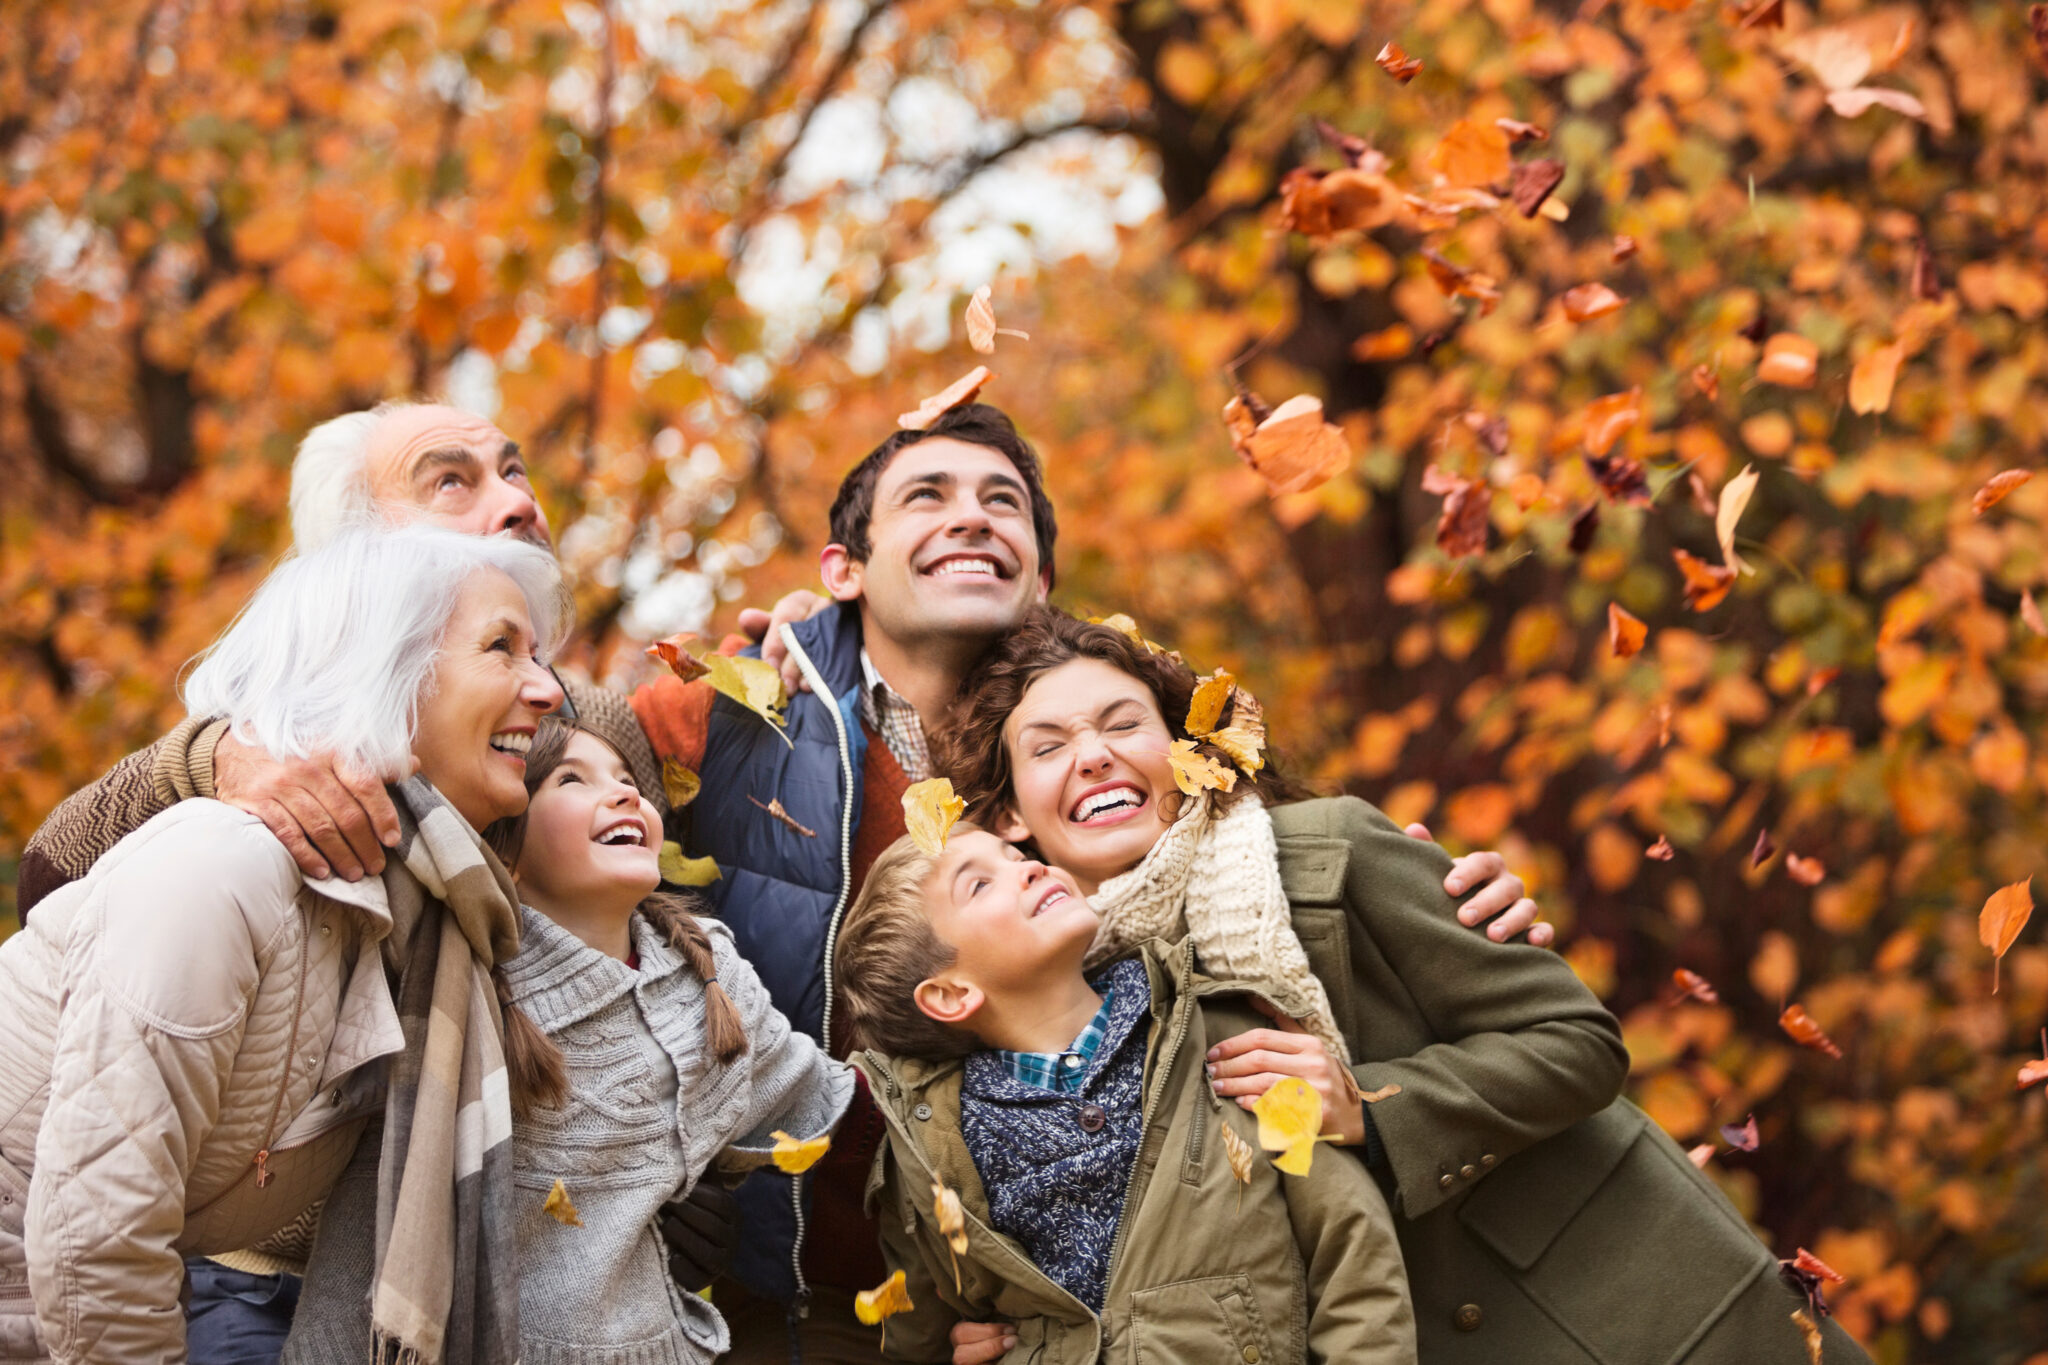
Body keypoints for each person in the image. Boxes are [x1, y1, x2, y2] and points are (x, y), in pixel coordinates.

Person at [18, 398, 1541, 1365]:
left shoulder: (1080, 737)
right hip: (491, 1272)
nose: (520, 496)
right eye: (454, 477)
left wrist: (1452, 927)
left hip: (1039, 1281)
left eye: (521, 469)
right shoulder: (703, 718)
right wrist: (226, 758)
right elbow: (72, 870)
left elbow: (1263, 909)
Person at [626, 402, 1542, 1362]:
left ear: (1043, 582)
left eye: (1003, 501)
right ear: (842, 569)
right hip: (784, 1297)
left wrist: (1430, 924)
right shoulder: (733, 719)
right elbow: (547, 789)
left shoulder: (1110, 820)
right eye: (927, 496)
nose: (972, 516)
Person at [933, 606, 1874, 1365]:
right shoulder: (1054, 999)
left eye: (1123, 722)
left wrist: (1372, 1110)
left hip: (1629, 1313)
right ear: (1011, 813)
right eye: (1048, 745)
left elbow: (1579, 1042)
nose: (1093, 754)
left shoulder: (1332, 848)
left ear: (1188, 750)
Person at [0, 524, 570, 1362]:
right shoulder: (221, 866)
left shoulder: (416, 920)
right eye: (502, 649)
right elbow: (97, 1235)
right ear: (384, 669)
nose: (548, 690)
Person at [284, 715, 854, 1363]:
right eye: (572, 778)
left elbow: (826, 1101)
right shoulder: (454, 985)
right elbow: (368, 1219)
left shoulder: (708, 974)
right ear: (508, 855)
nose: (622, 793)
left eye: (628, 780)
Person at [831, 826, 1416, 1365]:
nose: (1030, 868)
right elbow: (919, 1337)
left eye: (1019, 856)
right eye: (981, 884)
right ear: (952, 995)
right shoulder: (930, 1148)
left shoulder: (1223, 1036)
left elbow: (1354, 1249)